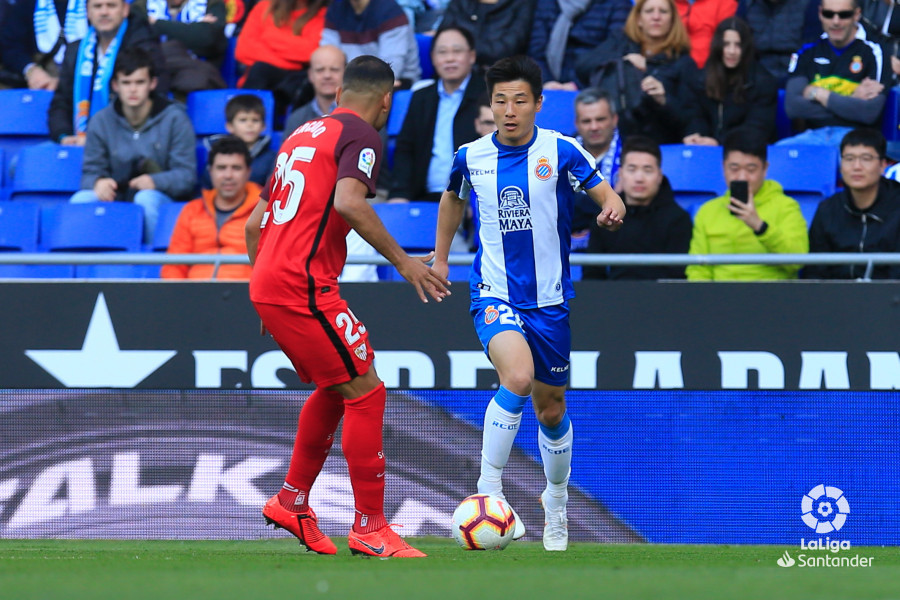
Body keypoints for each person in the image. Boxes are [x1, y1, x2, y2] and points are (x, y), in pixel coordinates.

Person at [245, 55, 450, 558]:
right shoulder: (361, 136)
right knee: (367, 391)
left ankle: (291, 500)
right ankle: (370, 526)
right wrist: (404, 263)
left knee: (340, 387)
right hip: (303, 285)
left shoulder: (300, 134)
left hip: (273, 280)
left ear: (338, 92)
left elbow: (254, 225)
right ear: (387, 99)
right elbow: (349, 202)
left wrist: (265, 293)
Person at [433, 55, 626, 551]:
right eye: (500, 101)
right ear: (490, 106)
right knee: (515, 378)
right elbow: (453, 199)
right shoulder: (471, 156)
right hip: (494, 293)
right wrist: (439, 259)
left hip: (551, 303)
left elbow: (609, 196)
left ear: (538, 103)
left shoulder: (562, 150)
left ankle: (556, 501)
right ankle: (488, 492)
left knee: (551, 409)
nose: (510, 110)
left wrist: (610, 208)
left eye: (520, 100)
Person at [71, 47, 196, 244]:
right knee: (81, 200)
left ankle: (156, 265)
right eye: (126, 83)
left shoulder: (175, 119)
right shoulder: (100, 120)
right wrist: (97, 183)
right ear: (115, 85)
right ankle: (82, 268)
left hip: (161, 199)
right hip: (116, 196)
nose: (133, 89)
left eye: (139, 82)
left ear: (152, 83)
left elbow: (187, 176)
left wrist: (155, 182)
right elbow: (89, 172)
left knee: (145, 199)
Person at [687, 129, 809, 280]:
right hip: (720, 298)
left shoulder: (786, 206)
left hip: (771, 297)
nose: (742, 177)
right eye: (734, 168)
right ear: (723, 167)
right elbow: (698, 269)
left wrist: (760, 227)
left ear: (765, 169)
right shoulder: (708, 211)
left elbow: (797, 261)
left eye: (751, 169)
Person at [574, 0, 697, 145]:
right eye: (649, 11)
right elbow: (582, 67)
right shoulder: (620, 43)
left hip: (656, 144)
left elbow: (691, 121)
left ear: (672, 20)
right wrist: (623, 61)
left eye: (663, 12)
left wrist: (664, 100)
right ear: (638, 19)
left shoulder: (684, 63)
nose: (656, 17)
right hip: (613, 138)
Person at [388, 25, 485, 204]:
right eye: (442, 52)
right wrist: (399, 194)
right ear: (433, 58)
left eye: (457, 51)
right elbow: (405, 149)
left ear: (471, 56)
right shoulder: (420, 98)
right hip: (425, 197)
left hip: (473, 198)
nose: (449, 58)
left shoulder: (487, 95)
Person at [47, 0, 168, 145]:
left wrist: (99, 141)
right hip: (78, 142)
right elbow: (61, 102)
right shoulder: (75, 51)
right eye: (97, 6)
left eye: (111, 5)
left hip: (129, 144)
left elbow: (151, 101)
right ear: (88, 12)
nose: (104, 12)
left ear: (125, 10)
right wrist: (64, 136)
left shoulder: (145, 48)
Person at [781, 0, 888, 146]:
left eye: (844, 15)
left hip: (857, 139)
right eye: (828, 14)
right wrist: (850, 101)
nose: (835, 22)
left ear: (857, 15)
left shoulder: (876, 51)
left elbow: (869, 113)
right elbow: (793, 107)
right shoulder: (807, 50)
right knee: (778, 155)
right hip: (812, 136)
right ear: (820, 13)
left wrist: (818, 93)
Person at [583, 135, 692, 279]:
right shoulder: (606, 215)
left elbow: (677, 277)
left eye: (647, 170)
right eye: (632, 169)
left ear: (660, 176)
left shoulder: (678, 219)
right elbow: (592, 275)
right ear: (621, 174)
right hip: (612, 298)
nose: (639, 178)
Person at [806, 127, 900, 279]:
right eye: (849, 159)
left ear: (883, 165)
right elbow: (815, 272)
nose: (856, 167)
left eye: (866, 159)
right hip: (837, 297)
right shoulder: (828, 210)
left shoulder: (897, 206)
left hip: (889, 297)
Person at [162, 136, 261, 280]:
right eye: (221, 168)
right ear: (210, 171)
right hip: (195, 296)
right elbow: (174, 266)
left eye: (236, 168)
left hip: (244, 295)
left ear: (248, 172)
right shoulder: (192, 210)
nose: (228, 175)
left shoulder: (265, 211)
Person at [682, 16, 778, 145]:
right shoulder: (700, 78)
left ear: (746, 48)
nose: (731, 51)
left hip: (747, 152)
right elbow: (694, 116)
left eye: (738, 45)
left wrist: (719, 142)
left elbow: (757, 128)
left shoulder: (762, 82)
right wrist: (697, 136)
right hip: (706, 149)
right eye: (726, 44)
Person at [235, 0, 328, 112]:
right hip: (263, 77)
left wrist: (270, 37)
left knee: (302, 80)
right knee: (261, 69)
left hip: (296, 81)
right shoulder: (265, 7)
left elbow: (312, 52)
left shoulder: (323, 14)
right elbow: (243, 50)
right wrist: (294, 63)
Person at [528, 0, 633, 90]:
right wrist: (546, 81)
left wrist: (577, 84)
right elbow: (536, 51)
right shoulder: (547, 3)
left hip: (594, 85)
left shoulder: (618, 3)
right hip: (550, 85)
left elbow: (613, 49)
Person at [131, 0, 228, 95]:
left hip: (199, 82)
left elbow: (206, 38)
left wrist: (157, 24)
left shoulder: (213, 4)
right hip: (153, 78)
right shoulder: (141, 6)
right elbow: (140, 40)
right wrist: (193, 28)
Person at [320, 0, 421, 89]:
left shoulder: (390, 11)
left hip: (397, 82)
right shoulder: (336, 10)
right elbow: (327, 55)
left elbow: (390, 69)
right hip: (349, 80)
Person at [0, 0, 88, 90]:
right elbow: (10, 45)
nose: (103, 11)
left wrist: (65, 83)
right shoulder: (28, 4)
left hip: (87, 76)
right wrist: (31, 70)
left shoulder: (94, 5)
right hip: (43, 82)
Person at [202, 94, 277, 189]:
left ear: (263, 126)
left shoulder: (272, 158)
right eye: (243, 120)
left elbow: (270, 191)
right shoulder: (216, 153)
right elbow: (207, 184)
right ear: (229, 126)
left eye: (255, 120)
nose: (250, 125)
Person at [439, 0, 538, 68]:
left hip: (501, 78)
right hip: (455, 75)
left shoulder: (523, 3)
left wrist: (460, 51)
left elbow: (508, 49)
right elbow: (440, 43)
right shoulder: (459, 3)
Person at [737, 0, 815, 84]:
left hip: (797, 75)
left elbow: (812, 48)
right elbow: (740, 44)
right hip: (755, 75)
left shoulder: (809, 4)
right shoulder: (747, 4)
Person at [284, 45, 346, 133]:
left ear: (346, 73)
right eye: (320, 70)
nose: (327, 75)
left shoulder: (361, 115)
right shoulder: (297, 119)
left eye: (334, 69)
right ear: (310, 75)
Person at [574, 87, 621, 186]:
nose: (594, 127)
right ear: (577, 124)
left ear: (614, 120)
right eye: (586, 121)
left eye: (600, 119)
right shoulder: (564, 155)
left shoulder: (631, 153)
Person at [674, 0, 738, 67]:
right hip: (670, 67)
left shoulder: (725, 3)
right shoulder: (669, 2)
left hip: (709, 70)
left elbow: (726, 43)